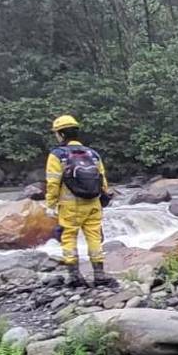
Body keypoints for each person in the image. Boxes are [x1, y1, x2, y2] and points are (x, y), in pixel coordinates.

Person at [45, 115, 114, 288]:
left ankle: (75, 276)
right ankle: (99, 275)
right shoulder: (93, 153)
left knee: (68, 237)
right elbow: (102, 180)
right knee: (94, 237)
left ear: (60, 134)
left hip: (70, 206)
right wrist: (104, 197)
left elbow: (53, 182)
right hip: (93, 203)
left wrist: (50, 204)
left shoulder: (57, 155)